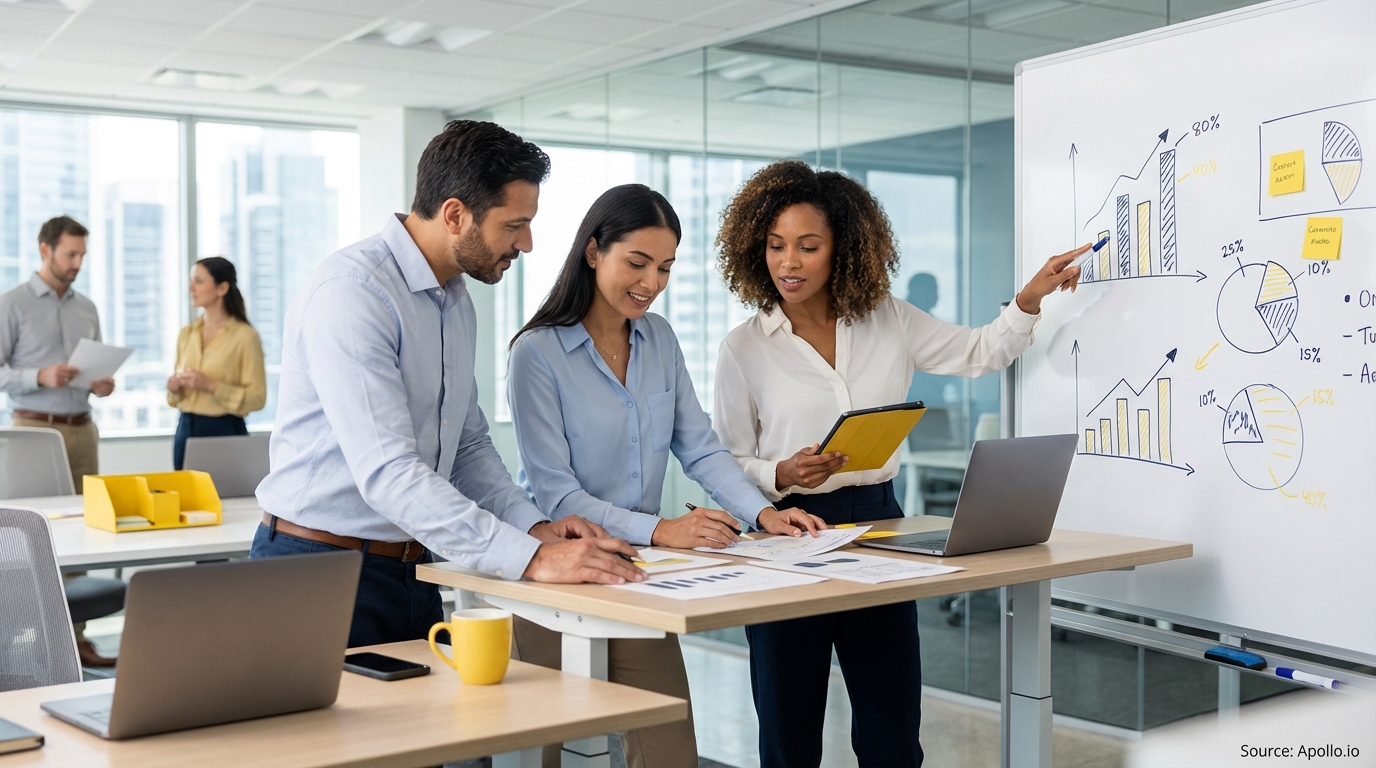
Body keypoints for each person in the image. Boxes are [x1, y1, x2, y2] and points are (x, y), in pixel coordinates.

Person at [711, 160, 1085, 768]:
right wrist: (782, 474)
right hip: (788, 531)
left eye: (809, 246)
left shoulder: (888, 317)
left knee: (890, 725)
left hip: (881, 526)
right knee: (789, 725)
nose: (789, 262)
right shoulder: (744, 348)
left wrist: (1029, 298)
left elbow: (980, 351)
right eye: (776, 246)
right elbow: (726, 459)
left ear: (843, 249)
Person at [251, 120, 645, 648]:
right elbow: (389, 471)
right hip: (317, 571)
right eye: (515, 225)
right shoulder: (354, 292)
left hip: (414, 568)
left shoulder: (453, 298)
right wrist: (531, 559)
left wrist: (532, 529)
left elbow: (467, 445)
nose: (527, 243)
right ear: (456, 215)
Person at [507, 184, 824, 768]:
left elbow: (699, 448)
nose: (651, 283)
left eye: (665, 268)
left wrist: (763, 512)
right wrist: (663, 530)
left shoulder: (660, 339)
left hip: (633, 578)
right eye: (637, 263)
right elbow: (557, 495)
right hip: (553, 579)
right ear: (593, 251)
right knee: (546, 756)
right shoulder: (537, 352)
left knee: (669, 751)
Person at [0, 214, 117, 667]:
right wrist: (39, 375)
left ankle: (74, 637)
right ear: (44, 250)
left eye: (83, 255)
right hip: (32, 430)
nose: (77, 263)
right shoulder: (11, 304)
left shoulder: (86, 307)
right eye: (70, 254)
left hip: (82, 428)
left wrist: (100, 384)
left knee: (83, 532)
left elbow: (95, 367)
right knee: (27, 534)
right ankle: (15, 637)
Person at [167, 257, 267, 470]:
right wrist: (174, 389)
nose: (191, 288)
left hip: (225, 429)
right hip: (185, 427)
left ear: (222, 288)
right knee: (186, 500)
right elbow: (177, 396)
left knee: (226, 498)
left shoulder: (245, 337)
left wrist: (211, 386)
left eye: (199, 281)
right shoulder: (187, 334)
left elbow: (257, 399)